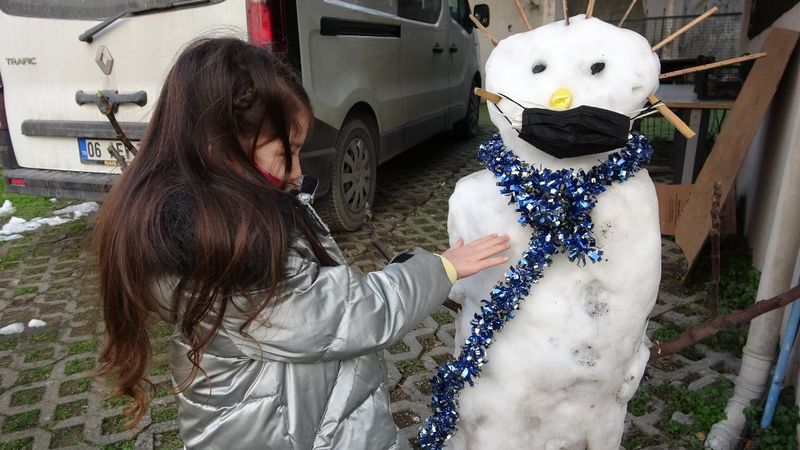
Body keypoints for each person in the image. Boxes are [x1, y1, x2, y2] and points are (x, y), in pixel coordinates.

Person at [95, 37, 509, 449]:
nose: (297, 173)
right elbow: (356, 314)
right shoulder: (235, 261)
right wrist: (442, 267)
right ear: (220, 149)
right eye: (286, 152)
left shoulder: (216, 225)